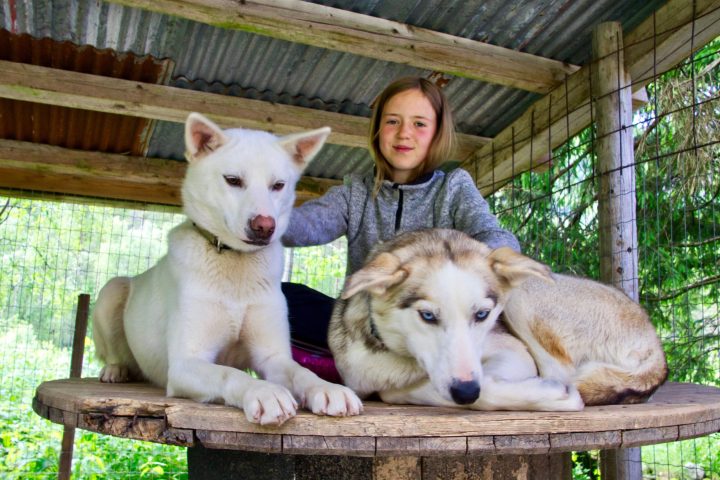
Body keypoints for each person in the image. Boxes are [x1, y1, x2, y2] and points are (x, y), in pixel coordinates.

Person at [282, 77, 520, 377]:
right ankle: (355, 368)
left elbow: (495, 235)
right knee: (283, 298)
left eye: (420, 124)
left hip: (431, 326)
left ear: (437, 133)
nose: (404, 133)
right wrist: (258, 216)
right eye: (393, 121)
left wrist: (485, 260)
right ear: (379, 129)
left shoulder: (454, 189)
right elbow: (306, 225)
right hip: (365, 327)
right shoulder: (355, 193)